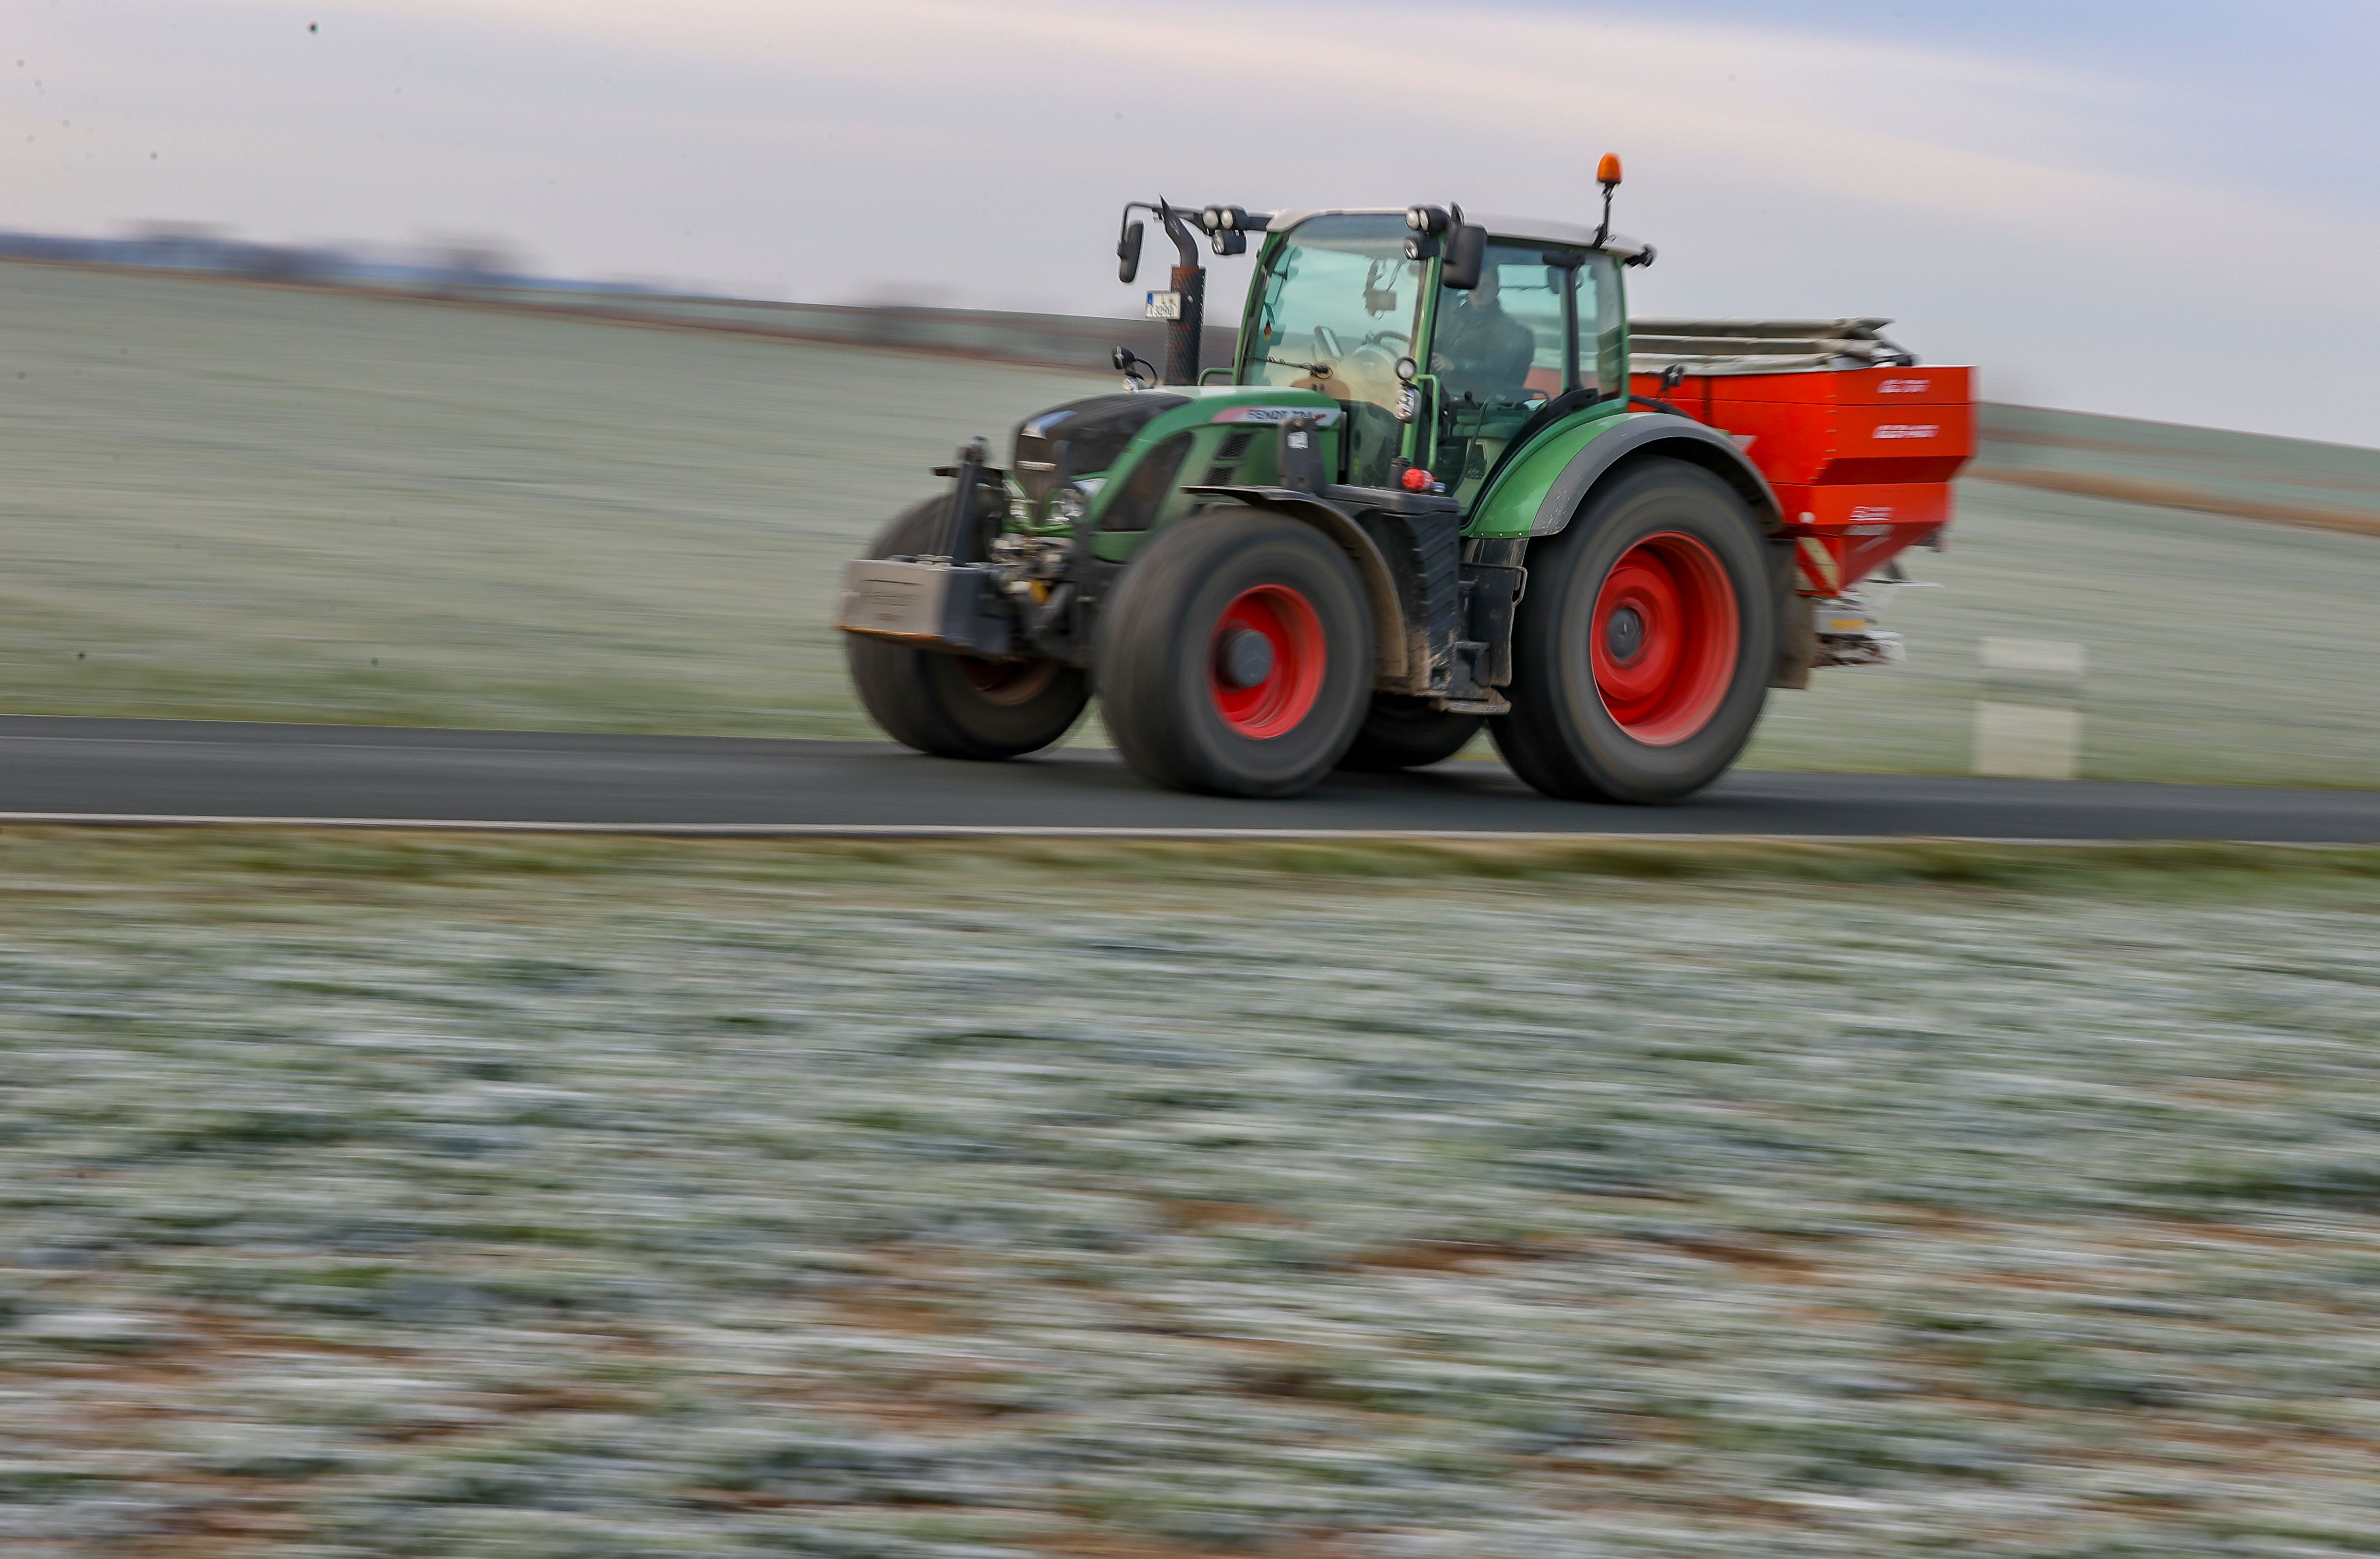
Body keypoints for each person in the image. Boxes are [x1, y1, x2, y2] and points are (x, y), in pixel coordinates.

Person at [1429, 266, 1536, 404]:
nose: (1479, 291)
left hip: (1480, 404)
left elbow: (1497, 369)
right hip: (1446, 396)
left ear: (1497, 290)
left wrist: (1456, 365)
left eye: (1486, 286)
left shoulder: (1508, 328)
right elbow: (1439, 345)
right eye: (1475, 286)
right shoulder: (1459, 320)